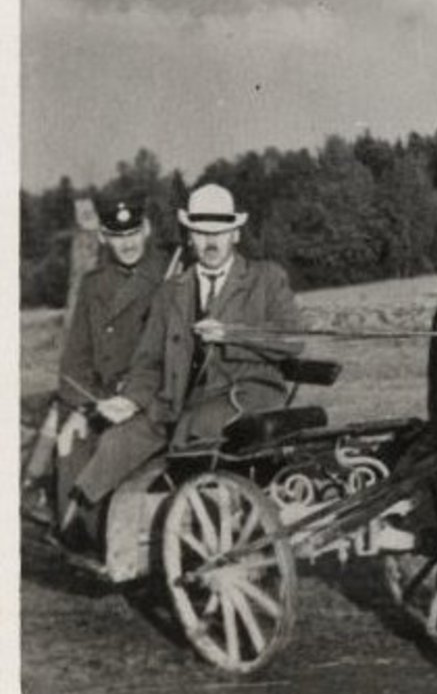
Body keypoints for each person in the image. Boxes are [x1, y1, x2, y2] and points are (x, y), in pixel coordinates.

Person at [66, 184, 301, 540]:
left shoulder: (265, 278)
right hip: (174, 404)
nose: (211, 241)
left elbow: (293, 338)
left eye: (219, 232)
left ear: (235, 234)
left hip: (242, 399)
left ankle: (192, 527)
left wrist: (232, 333)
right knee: (115, 441)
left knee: (195, 427)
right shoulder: (171, 291)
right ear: (190, 236)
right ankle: (89, 529)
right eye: (201, 232)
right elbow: (148, 362)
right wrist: (130, 400)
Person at [21, 196, 168, 529]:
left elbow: (171, 357)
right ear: (103, 237)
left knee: (92, 448)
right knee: (67, 435)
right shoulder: (93, 284)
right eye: (117, 235)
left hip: (144, 395)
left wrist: (130, 398)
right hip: (98, 395)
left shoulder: (170, 277)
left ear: (146, 229)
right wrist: (82, 405)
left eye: (133, 232)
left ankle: (86, 529)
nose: (127, 243)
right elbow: (76, 357)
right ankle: (55, 512)